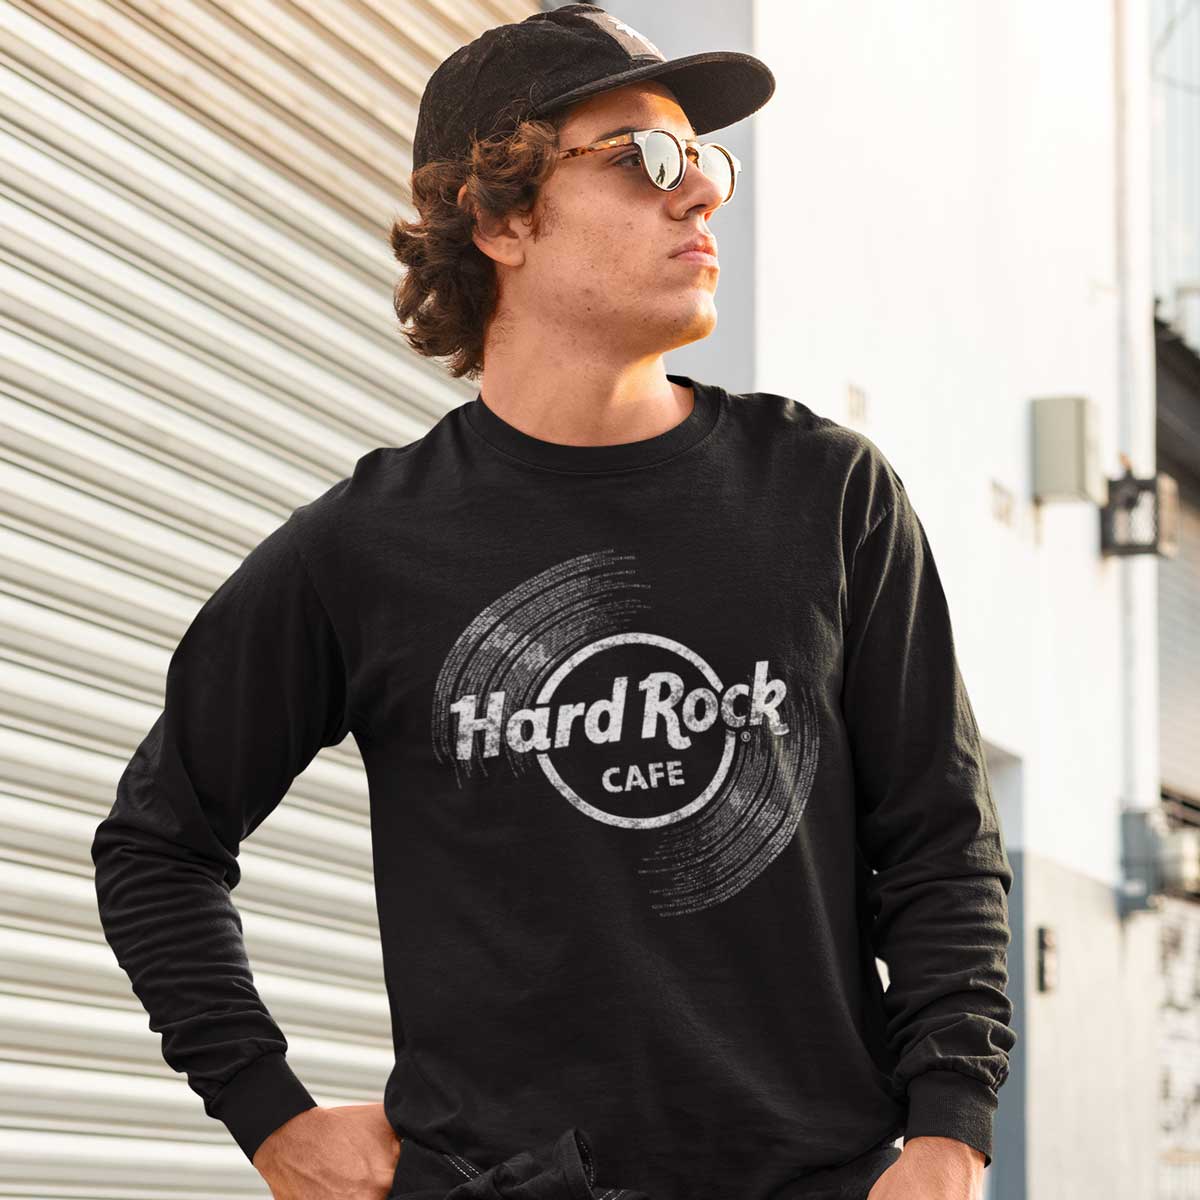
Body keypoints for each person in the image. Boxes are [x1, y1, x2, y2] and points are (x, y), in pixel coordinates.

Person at [90, 5, 1017, 1200]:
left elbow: (941, 838)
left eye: (707, 159)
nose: (703, 191)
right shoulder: (368, 546)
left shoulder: (826, 495)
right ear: (499, 218)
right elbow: (158, 844)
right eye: (646, 158)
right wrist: (270, 1114)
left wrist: (950, 1132)